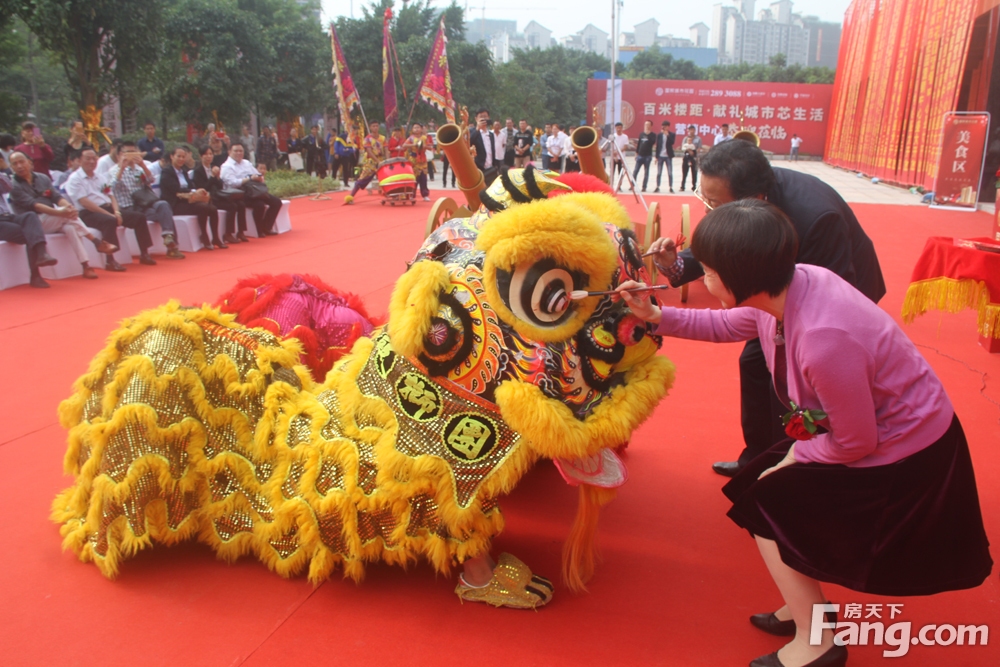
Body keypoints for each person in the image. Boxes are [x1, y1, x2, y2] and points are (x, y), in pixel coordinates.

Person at [619, 199, 992, 667]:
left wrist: (796, 458)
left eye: (709, 272)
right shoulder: (788, 286)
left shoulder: (824, 337)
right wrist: (656, 316)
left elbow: (858, 442)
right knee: (759, 485)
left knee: (769, 504)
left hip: (908, 455)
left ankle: (820, 644)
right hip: (859, 429)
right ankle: (809, 610)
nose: (702, 281)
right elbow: (731, 323)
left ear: (742, 274)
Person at [648, 140, 885, 479]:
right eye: (704, 198)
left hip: (835, 303)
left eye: (713, 203)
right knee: (755, 362)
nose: (706, 212)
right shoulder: (746, 201)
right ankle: (758, 460)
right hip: (778, 297)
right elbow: (723, 256)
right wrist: (672, 273)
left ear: (753, 202)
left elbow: (834, 295)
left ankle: (800, 467)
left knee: (801, 385)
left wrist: (790, 338)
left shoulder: (815, 217)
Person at [8, 151, 116, 279]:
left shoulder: (42, 178)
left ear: (29, 162)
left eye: (22, 162)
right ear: (11, 167)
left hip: (53, 218)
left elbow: (56, 197)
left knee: (71, 228)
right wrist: (61, 212)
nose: (19, 166)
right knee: (67, 216)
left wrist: (68, 207)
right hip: (33, 223)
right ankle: (96, 241)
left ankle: (86, 265)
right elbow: (35, 205)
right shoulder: (13, 185)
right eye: (15, 164)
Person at [65, 147, 156, 269]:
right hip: (88, 213)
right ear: (80, 160)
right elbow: (85, 202)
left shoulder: (100, 177)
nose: (92, 161)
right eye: (88, 159)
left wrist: (117, 211)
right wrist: (110, 215)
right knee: (109, 221)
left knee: (139, 217)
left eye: (94, 158)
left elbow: (111, 195)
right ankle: (110, 260)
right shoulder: (74, 179)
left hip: (108, 208)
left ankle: (144, 253)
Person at [108, 141, 185, 260]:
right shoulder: (114, 171)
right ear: (120, 155)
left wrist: (143, 166)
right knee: (141, 216)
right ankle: (146, 252)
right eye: (128, 152)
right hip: (128, 207)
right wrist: (122, 169)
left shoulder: (139, 169)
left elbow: (150, 181)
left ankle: (170, 241)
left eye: (133, 152)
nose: (131, 155)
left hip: (144, 204)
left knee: (164, 206)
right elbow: (112, 188)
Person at [0, 162, 58, 288]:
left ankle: (42, 254)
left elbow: (8, 187)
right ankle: (35, 275)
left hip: (7, 216)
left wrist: (3, 170)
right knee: (29, 232)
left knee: (30, 216)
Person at [160, 146, 224, 249]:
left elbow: (191, 185)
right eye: (178, 156)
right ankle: (204, 235)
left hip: (188, 200)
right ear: (172, 157)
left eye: (183, 157)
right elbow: (175, 188)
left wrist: (196, 191)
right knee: (202, 207)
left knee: (212, 208)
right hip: (175, 203)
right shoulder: (167, 172)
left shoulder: (184, 171)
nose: (181, 159)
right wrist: (192, 191)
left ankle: (215, 237)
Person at [221, 143, 282, 235]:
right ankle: (259, 230)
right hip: (240, 193)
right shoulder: (227, 166)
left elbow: (257, 174)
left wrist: (258, 177)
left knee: (276, 202)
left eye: (241, 151)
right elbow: (231, 183)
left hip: (254, 190)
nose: (239, 153)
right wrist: (248, 179)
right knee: (259, 204)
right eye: (236, 151)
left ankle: (266, 227)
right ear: (229, 152)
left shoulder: (246, 163)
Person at [192, 146, 246, 244]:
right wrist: (212, 177)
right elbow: (203, 188)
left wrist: (217, 177)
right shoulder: (198, 171)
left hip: (217, 196)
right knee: (232, 206)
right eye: (206, 154)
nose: (209, 157)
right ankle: (227, 233)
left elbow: (220, 186)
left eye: (210, 154)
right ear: (201, 156)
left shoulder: (214, 167)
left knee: (240, 204)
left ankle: (241, 231)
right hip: (207, 198)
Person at [344, 120, 386, 203]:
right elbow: (369, 151)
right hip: (371, 162)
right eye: (373, 126)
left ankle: (390, 195)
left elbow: (386, 149)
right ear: (370, 127)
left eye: (377, 126)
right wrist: (377, 161)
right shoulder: (367, 139)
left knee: (386, 178)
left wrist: (387, 160)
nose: (375, 128)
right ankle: (351, 196)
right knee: (362, 178)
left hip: (382, 161)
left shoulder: (383, 138)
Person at [469, 108, 499, 186]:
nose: (483, 119)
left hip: (491, 168)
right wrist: (477, 129)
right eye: (481, 117)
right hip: (478, 169)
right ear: (476, 119)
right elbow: (469, 143)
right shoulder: (472, 132)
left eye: (485, 116)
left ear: (489, 118)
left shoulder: (491, 134)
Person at [407, 122, 431, 201]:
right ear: (412, 130)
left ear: (421, 129)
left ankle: (425, 195)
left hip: (422, 159)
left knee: (423, 177)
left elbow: (430, 147)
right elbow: (404, 145)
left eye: (418, 127)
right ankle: (412, 194)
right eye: (415, 128)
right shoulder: (411, 138)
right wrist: (414, 145)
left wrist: (425, 146)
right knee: (414, 178)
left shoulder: (424, 137)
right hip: (414, 159)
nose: (416, 129)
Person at [632, 120, 655, 192]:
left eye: (648, 125)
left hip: (647, 156)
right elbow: (639, 144)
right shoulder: (641, 134)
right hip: (640, 155)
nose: (646, 126)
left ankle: (644, 186)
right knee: (635, 171)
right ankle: (632, 185)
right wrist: (636, 154)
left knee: (646, 172)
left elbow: (652, 142)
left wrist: (648, 134)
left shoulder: (653, 135)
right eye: (645, 124)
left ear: (651, 126)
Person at [655, 120, 676, 193]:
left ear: (668, 127)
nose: (663, 127)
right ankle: (657, 186)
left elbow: (672, 142)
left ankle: (670, 187)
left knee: (670, 172)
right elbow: (658, 146)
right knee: (659, 172)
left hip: (668, 156)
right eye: (662, 126)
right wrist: (656, 157)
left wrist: (667, 135)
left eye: (665, 126)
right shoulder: (659, 135)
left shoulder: (672, 134)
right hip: (660, 156)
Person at [678, 125, 701, 191]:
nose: (691, 131)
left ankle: (694, 187)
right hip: (686, 158)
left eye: (693, 130)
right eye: (690, 130)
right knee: (684, 172)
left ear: (695, 130)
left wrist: (693, 152)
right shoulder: (685, 139)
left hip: (694, 158)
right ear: (688, 130)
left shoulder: (698, 139)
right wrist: (688, 150)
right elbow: (683, 148)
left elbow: (699, 148)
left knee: (694, 173)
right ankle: (682, 186)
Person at [609, 122, 630, 189]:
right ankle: (611, 185)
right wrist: (614, 156)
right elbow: (610, 147)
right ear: (615, 128)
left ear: (622, 128)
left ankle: (619, 186)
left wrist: (618, 152)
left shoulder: (625, 136)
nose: (619, 129)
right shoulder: (613, 136)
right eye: (617, 127)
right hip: (613, 158)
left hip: (621, 157)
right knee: (612, 172)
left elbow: (625, 147)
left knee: (620, 172)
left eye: (620, 127)